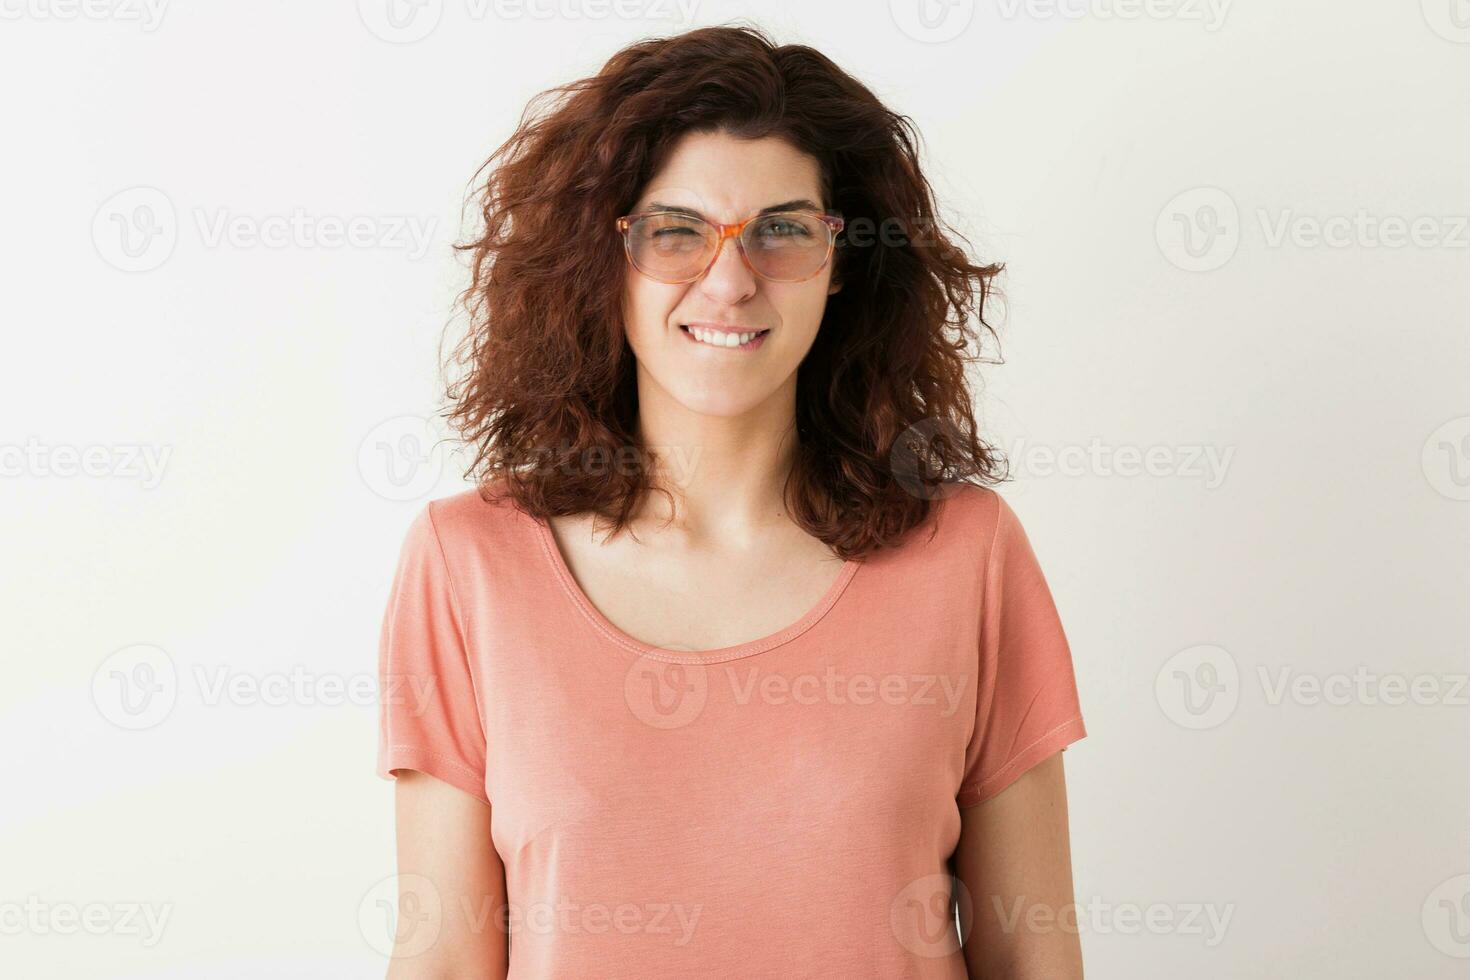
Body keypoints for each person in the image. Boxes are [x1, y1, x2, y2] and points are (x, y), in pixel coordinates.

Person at [376, 24, 1087, 979]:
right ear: (603, 259)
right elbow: (445, 964)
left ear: (845, 262)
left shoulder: (969, 554)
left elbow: (1035, 959)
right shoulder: (467, 566)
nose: (730, 279)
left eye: (782, 230)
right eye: (676, 232)